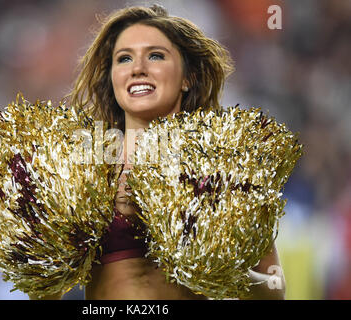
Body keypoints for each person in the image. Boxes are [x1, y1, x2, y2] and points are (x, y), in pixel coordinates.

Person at [31, 4, 286, 300]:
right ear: (112, 78)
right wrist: (44, 251)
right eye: (124, 58)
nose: (138, 68)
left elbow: (275, 287)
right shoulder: (84, 168)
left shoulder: (222, 168)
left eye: (155, 56)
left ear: (187, 77)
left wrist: (224, 265)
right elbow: (45, 292)